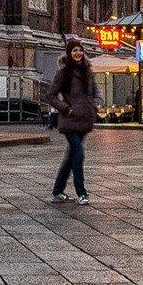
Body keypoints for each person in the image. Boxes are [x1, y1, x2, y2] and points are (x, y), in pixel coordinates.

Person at [47, 40, 96, 205]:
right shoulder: (64, 73)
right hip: (69, 120)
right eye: (75, 50)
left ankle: (57, 191)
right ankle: (82, 193)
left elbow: (91, 94)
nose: (78, 53)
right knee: (79, 154)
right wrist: (66, 109)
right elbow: (51, 96)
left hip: (84, 120)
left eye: (80, 50)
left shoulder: (88, 72)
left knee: (70, 158)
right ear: (69, 53)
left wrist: (93, 108)